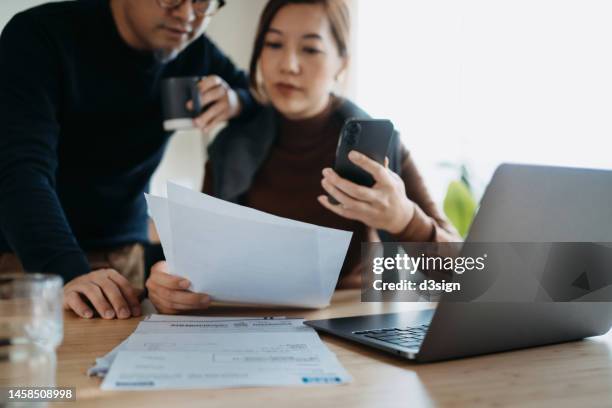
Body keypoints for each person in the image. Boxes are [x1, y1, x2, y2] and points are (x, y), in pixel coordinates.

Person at [146, 0, 461, 314]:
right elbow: (199, 261)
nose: (289, 64)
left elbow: (462, 275)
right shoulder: (230, 146)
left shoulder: (378, 148)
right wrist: (168, 281)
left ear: (342, 63)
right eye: (273, 44)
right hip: (256, 322)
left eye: (310, 49)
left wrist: (405, 220)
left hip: (350, 320)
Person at [0, 0, 255, 319]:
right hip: (27, 256)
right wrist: (66, 270)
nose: (188, 15)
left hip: (124, 258)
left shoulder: (194, 52)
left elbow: (257, 93)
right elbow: (20, 168)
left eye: (203, 2)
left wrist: (237, 101)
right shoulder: (41, 35)